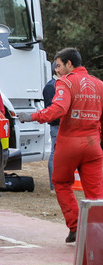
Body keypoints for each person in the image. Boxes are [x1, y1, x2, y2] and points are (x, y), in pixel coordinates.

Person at [19, 48, 103, 243]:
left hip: (69, 142)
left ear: (69, 64)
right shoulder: (99, 84)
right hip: (93, 144)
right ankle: (97, 233)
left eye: (58, 65)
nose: (56, 70)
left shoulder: (65, 82)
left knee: (61, 182)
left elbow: (58, 109)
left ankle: (75, 226)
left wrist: (31, 116)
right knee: (96, 193)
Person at [42, 62, 61, 191]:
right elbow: (50, 109)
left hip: (62, 125)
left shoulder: (61, 84)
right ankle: (53, 185)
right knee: (54, 155)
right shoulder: (50, 87)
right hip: (57, 126)